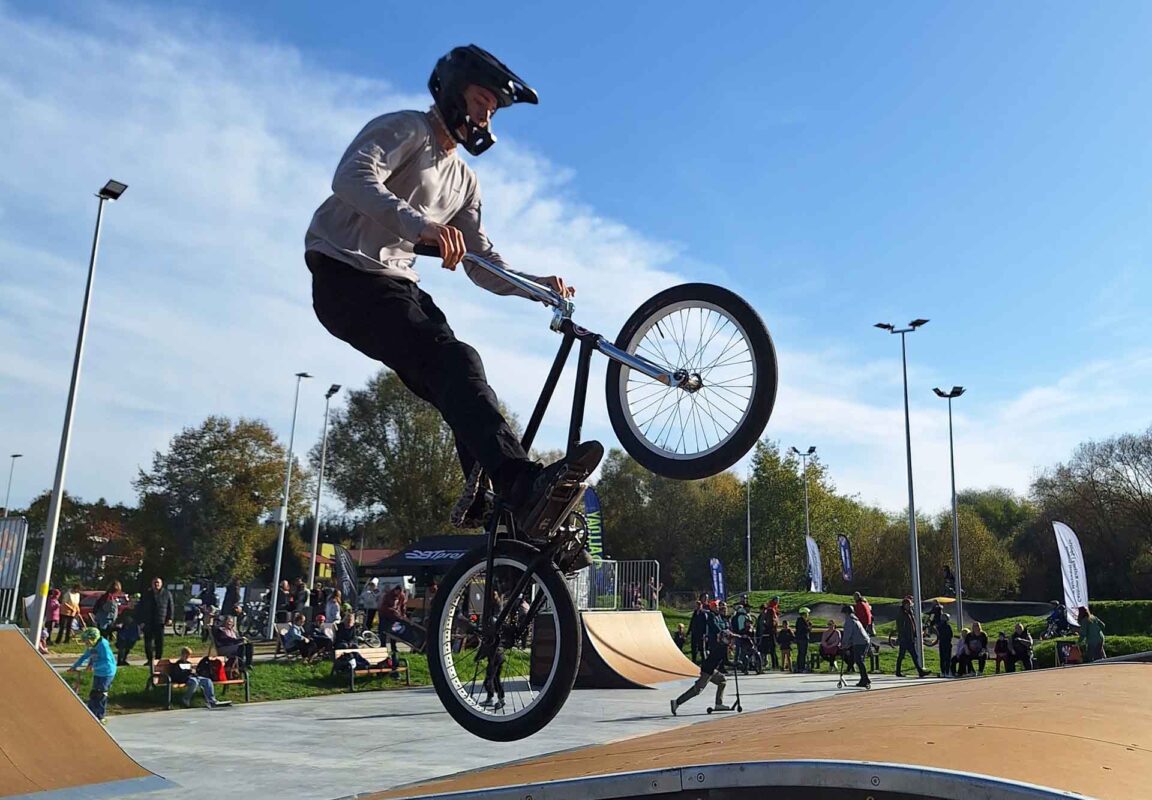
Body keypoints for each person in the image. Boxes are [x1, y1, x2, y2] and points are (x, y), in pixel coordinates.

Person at [304, 44, 602, 558]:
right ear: (453, 90)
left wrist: (536, 286)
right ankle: (519, 483)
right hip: (343, 273)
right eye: (483, 100)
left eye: (493, 109)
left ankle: (503, 511)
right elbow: (350, 177)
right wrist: (422, 227)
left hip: (396, 283)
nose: (487, 115)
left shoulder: (465, 181)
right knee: (451, 359)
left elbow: (481, 264)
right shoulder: (406, 129)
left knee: (463, 371)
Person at [670, 629, 732, 715]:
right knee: (697, 690)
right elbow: (726, 662)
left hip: (710, 669)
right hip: (708, 670)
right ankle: (677, 702)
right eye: (729, 638)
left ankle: (719, 704)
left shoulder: (719, 645)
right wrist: (736, 664)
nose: (730, 640)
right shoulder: (723, 647)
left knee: (722, 680)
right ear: (724, 638)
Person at [68, 627, 116, 723]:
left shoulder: (103, 646)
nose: (87, 644)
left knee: (101, 693)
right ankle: (91, 712)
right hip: (98, 672)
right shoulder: (92, 647)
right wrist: (74, 666)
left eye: (87, 641)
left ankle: (101, 716)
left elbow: (107, 662)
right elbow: (84, 657)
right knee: (94, 693)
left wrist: (94, 666)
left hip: (107, 672)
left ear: (93, 639)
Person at [135, 576, 174, 664]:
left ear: (161, 584)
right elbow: (140, 608)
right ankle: (149, 660)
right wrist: (140, 621)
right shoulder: (147, 594)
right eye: (154, 582)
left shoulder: (167, 593)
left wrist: (170, 618)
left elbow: (170, 606)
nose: (156, 584)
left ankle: (158, 659)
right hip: (148, 621)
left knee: (159, 642)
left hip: (160, 621)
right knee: (148, 642)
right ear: (152, 584)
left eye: (158, 582)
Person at [894, 596, 929, 678]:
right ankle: (919, 671)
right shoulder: (902, 614)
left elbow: (912, 624)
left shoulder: (909, 613)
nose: (910, 606)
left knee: (910, 655)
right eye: (908, 604)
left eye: (910, 604)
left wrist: (915, 633)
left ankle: (900, 671)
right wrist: (902, 637)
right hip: (905, 638)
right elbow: (900, 627)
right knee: (906, 655)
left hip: (910, 637)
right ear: (904, 605)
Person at [839, 605, 871, 688]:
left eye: (844, 613)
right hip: (863, 641)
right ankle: (864, 679)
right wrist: (847, 644)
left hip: (860, 642)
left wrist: (843, 644)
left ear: (846, 613)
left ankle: (865, 679)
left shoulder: (849, 621)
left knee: (859, 660)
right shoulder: (855, 619)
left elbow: (847, 634)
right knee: (859, 660)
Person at [760, 598, 780, 670]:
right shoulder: (771, 610)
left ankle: (775, 665)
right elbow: (771, 622)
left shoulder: (772, 609)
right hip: (771, 632)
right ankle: (775, 665)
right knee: (772, 649)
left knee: (772, 650)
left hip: (770, 632)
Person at [936, 612, 954, 677]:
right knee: (948, 658)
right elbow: (951, 635)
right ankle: (947, 671)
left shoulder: (938, 626)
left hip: (941, 643)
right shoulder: (948, 626)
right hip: (947, 643)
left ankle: (943, 671)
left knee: (942, 658)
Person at [795, 608, 812, 673]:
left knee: (800, 653)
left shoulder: (799, 621)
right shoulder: (802, 621)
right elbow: (806, 630)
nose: (808, 615)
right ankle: (801, 667)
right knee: (802, 653)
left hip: (800, 639)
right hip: (803, 639)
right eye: (807, 613)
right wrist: (809, 625)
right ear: (805, 614)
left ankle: (799, 667)